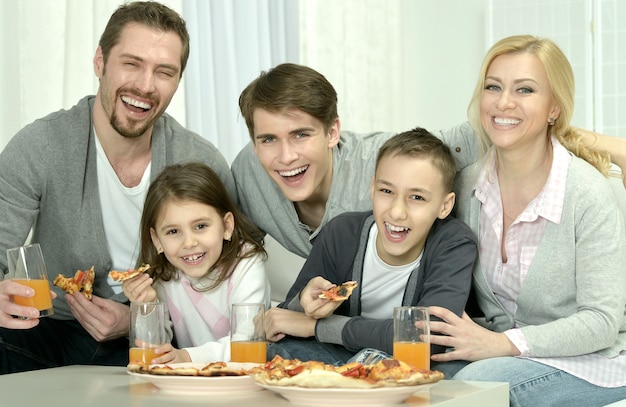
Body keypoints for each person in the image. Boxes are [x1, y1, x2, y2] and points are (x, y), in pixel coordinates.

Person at [0, 1, 235, 374]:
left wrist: (139, 319)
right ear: (99, 62)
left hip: (156, 341)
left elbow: (228, 280)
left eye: (164, 72)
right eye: (132, 63)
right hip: (48, 332)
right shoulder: (39, 147)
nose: (144, 85)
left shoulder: (201, 161)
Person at [232, 63, 626, 260]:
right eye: (268, 140)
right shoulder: (247, 175)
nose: (286, 157)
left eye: (301, 134)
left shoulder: (387, 159)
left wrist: (616, 149)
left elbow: (500, 127)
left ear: (333, 132)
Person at [425, 35, 626, 407]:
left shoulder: (587, 194)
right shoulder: (465, 185)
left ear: (554, 108)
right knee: (400, 372)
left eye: (525, 89)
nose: (503, 102)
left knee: (475, 388)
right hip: (501, 354)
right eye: (493, 87)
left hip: (592, 359)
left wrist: (502, 344)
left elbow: (602, 321)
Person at [263, 128, 478, 364]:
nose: (397, 212)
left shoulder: (454, 243)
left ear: (445, 206)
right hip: (340, 359)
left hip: (410, 366)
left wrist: (320, 327)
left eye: (417, 197)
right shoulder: (342, 233)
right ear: (372, 187)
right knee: (276, 352)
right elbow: (286, 320)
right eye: (386, 191)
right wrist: (306, 300)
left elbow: (426, 337)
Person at [121, 162, 270, 364]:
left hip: (245, 381)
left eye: (200, 226)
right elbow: (153, 354)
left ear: (226, 226)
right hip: (190, 385)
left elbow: (248, 341)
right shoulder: (163, 274)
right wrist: (146, 305)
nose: (189, 243)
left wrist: (187, 357)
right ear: (157, 240)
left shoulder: (247, 263)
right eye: (173, 231)